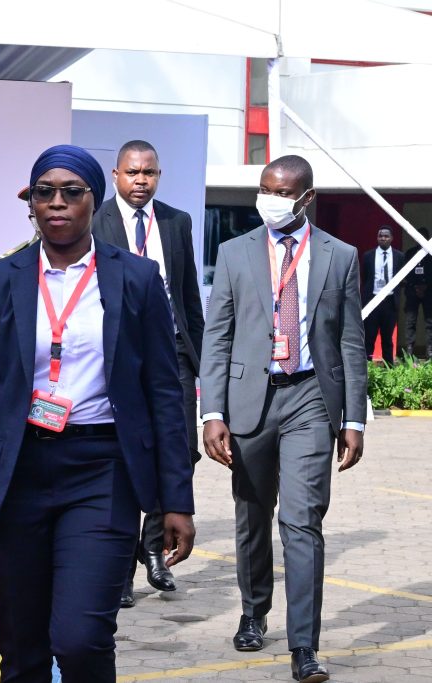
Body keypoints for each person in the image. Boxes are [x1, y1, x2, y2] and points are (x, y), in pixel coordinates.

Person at [0, 144, 196, 682]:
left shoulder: (138, 279)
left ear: (94, 202)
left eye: (71, 192)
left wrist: (176, 498)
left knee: (80, 639)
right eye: (44, 192)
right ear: (30, 203)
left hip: (101, 471)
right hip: (15, 477)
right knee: (22, 644)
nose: (57, 203)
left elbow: (164, 395)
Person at [200, 155, 366, 683]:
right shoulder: (233, 253)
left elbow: (350, 341)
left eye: (282, 192)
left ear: (306, 198)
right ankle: (254, 609)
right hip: (251, 398)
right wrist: (212, 411)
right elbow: (217, 337)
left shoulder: (340, 256)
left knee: (302, 520)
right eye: (264, 189)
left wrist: (355, 419)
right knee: (252, 514)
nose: (269, 199)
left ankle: (304, 646)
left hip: (311, 399)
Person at [92, 139, 204, 607]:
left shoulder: (177, 222)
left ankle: (153, 546)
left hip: (173, 352)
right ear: (116, 175)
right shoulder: (94, 220)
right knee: (122, 455)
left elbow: (188, 294)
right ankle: (119, 575)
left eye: (150, 173)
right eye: (133, 173)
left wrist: (203, 362)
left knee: (177, 449)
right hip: (118, 356)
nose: (141, 181)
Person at [362, 226, 405, 363]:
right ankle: (366, 369)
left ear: (392, 238)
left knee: (387, 339)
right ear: (377, 238)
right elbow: (365, 277)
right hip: (373, 301)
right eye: (380, 236)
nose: (383, 238)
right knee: (369, 337)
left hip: (390, 302)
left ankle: (389, 370)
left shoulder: (399, 256)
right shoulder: (368, 256)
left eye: (386, 236)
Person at [403, 227, 432, 357]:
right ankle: (409, 350)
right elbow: (405, 272)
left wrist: (425, 286)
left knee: (430, 322)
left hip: (429, 291)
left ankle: (430, 351)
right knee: (410, 321)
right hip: (412, 291)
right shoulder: (410, 253)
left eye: (423, 236)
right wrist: (415, 286)